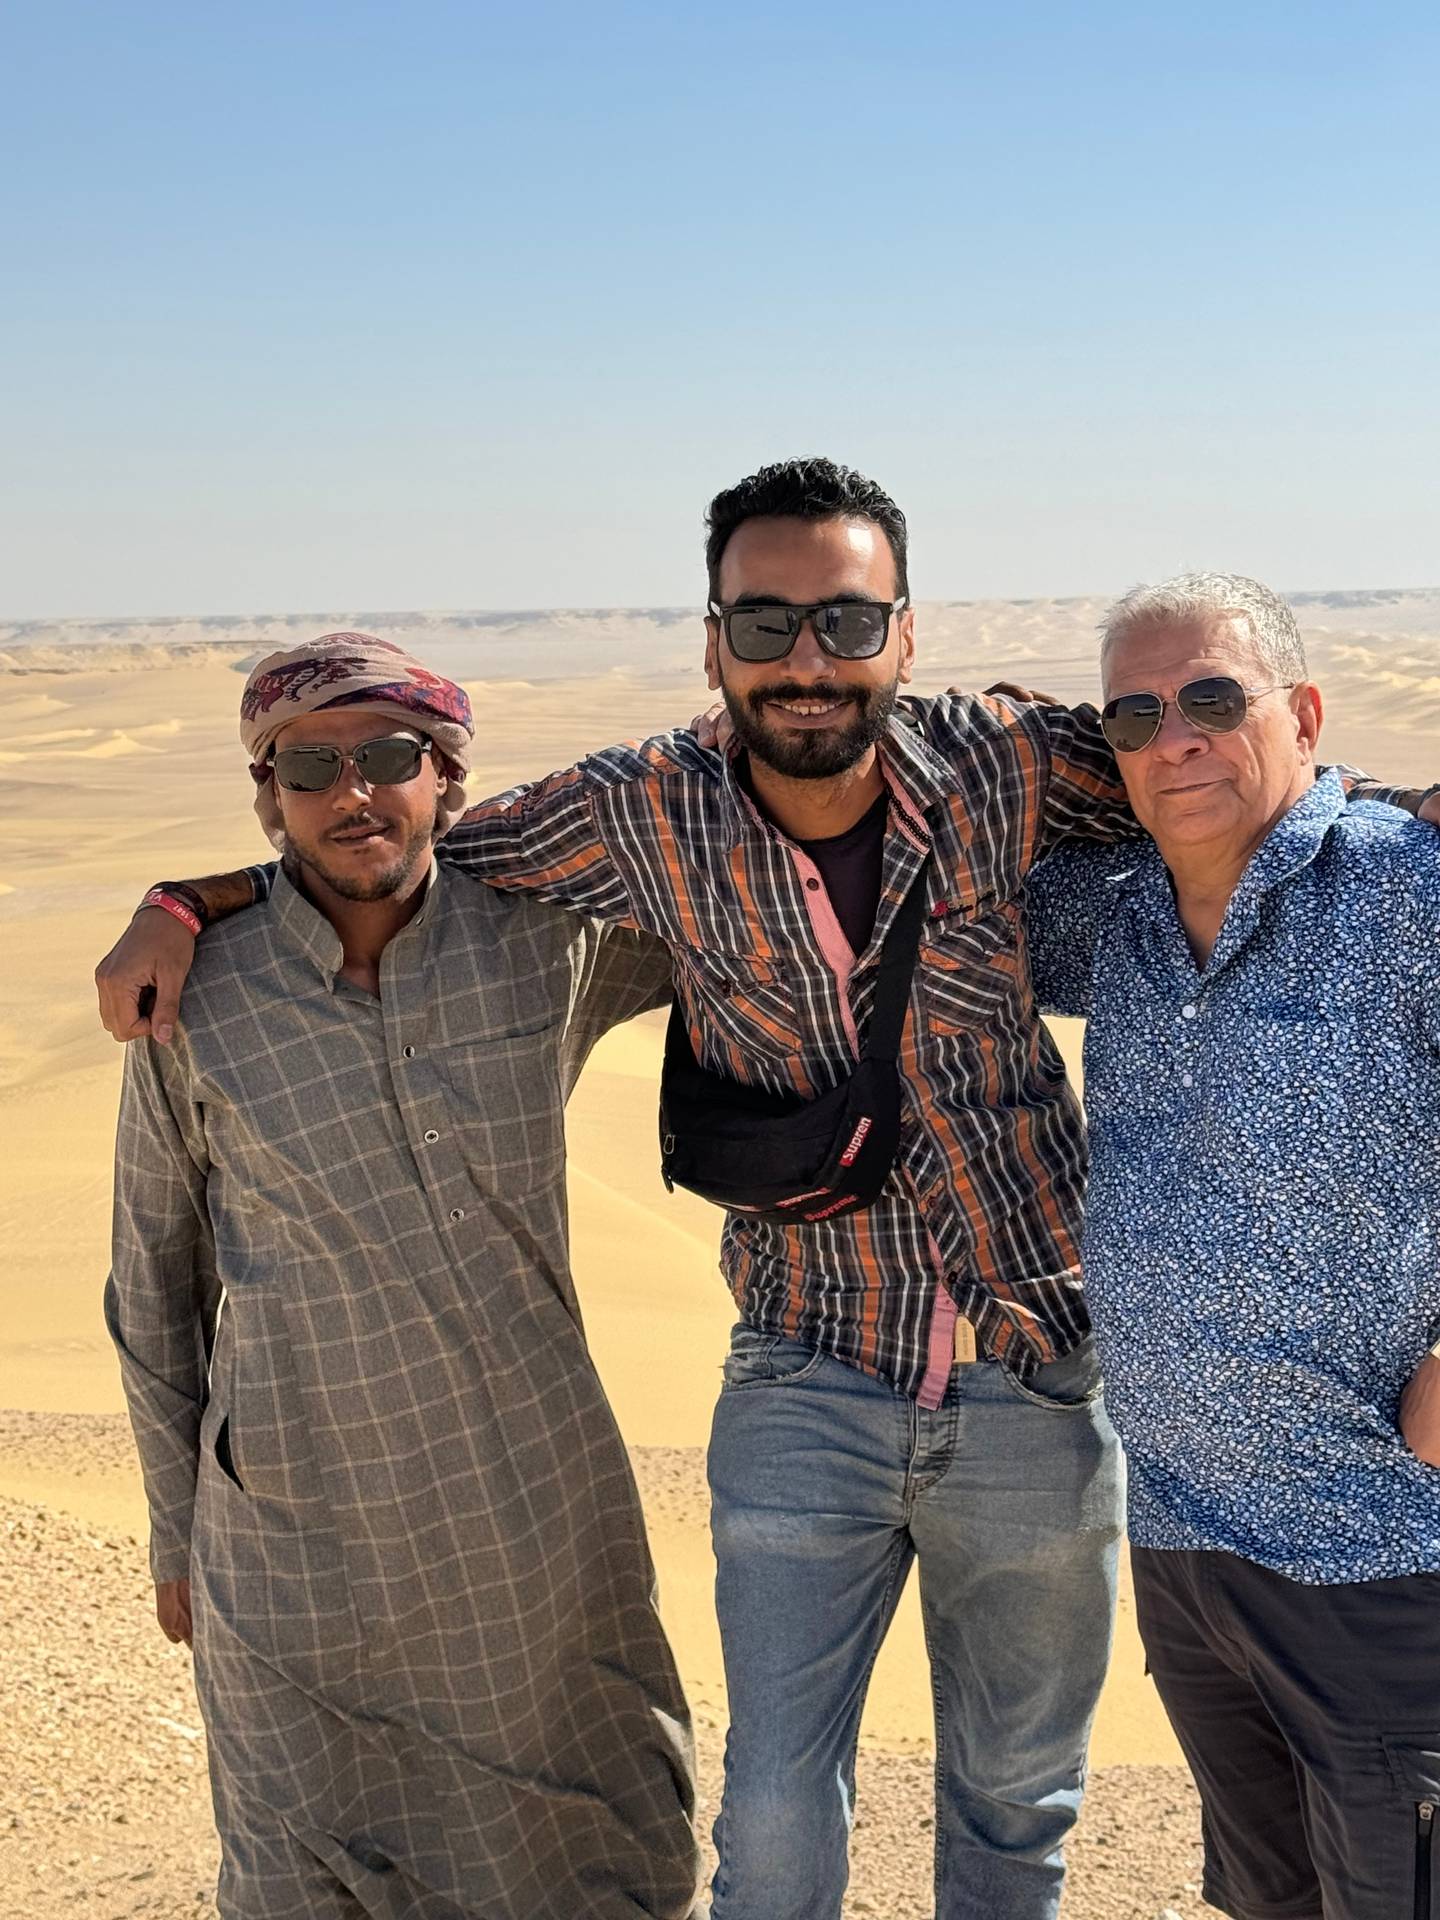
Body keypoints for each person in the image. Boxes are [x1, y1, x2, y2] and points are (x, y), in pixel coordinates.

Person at [94, 467, 1431, 1920]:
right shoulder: (637, 809)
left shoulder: (1009, 767)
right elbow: (398, 852)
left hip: (1037, 1378)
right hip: (807, 1371)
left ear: (904, 635)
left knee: (1018, 1805)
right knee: (779, 1812)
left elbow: (1232, 780)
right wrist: (191, 900)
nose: (808, 657)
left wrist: (1409, 820)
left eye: (847, 621)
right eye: (767, 621)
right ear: (714, 641)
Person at [105, 633, 698, 1920]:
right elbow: (151, 1279)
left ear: (448, 777)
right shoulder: (195, 996)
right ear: (267, 795)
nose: (352, 792)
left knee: (593, 1845)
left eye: (388, 757)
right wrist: (173, 1528)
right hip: (289, 1530)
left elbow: (742, 883)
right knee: (299, 1864)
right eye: (308, 768)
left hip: (532, 1511)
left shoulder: (545, 944)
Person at [1022, 573, 1440, 1920]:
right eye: (1134, 717)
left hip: (1382, 1547)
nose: (1176, 741)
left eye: (1213, 699)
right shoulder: (1111, 915)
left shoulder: (1409, 889)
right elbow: (918, 881)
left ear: (1304, 715)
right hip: (1185, 1546)